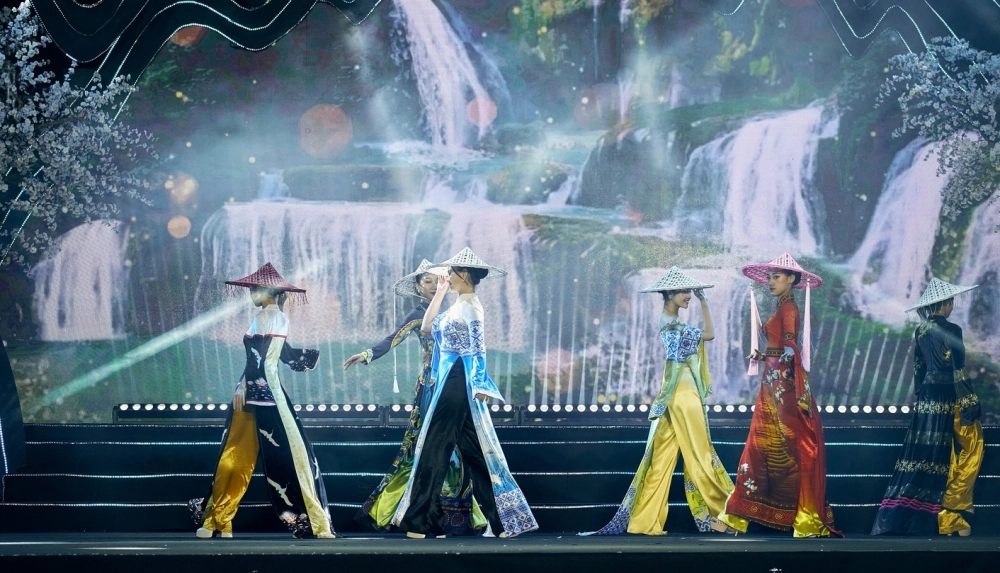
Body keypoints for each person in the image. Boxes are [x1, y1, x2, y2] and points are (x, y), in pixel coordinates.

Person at [392, 247, 538, 538]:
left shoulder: (472, 306)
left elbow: (478, 349)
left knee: (435, 447)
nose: (446, 276)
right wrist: (439, 293)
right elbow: (427, 327)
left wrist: (481, 384)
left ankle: (422, 521)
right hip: (449, 380)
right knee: (474, 451)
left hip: (459, 381)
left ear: (465, 275)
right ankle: (502, 522)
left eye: (451, 273)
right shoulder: (457, 305)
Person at [583, 267, 739, 536]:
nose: (688, 296)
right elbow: (699, 343)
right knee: (700, 454)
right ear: (669, 294)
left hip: (676, 393)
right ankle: (728, 516)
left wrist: (703, 301)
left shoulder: (672, 321)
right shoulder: (671, 324)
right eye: (684, 292)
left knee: (662, 458)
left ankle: (643, 521)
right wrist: (664, 396)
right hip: (683, 393)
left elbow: (705, 338)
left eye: (689, 292)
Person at [189, 263, 334, 539]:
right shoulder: (273, 317)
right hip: (262, 392)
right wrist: (301, 359)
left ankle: (314, 522)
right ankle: (219, 520)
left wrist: (244, 385)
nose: (252, 293)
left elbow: (259, 356)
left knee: (274, 458)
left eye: (256, 289)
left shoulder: (269, 317)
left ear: (269, 291)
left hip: (261, 393)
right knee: (242, 458)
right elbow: (273, 354)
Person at [348, 260, 485, 534]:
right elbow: (393, 338)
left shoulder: (453, 310)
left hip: (457, 382)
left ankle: (455, 514)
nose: (434, 285)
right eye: (427, 281)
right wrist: (367, 354)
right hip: (434, 383)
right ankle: (413, 510)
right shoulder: (419, 314)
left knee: (458, 448)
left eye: (437, 279)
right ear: (418, 287)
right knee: (427, 445)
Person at [715, 253, 840, 537]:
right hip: (773, 384)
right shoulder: (781, 306)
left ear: (791, 279)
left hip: (783, 387)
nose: (771, 282)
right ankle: (742, 515)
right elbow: (779, 349)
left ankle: (788, 516)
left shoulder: (789, 308)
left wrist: (775, 356)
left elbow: (789, 348)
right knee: (766, 445)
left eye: (777, 277)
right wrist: (763, 356)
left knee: (781, 445)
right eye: (769, 277)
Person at [871, 278, 983, 536]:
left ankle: (941, 514)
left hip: (927, 397)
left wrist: (921, 398)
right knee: (972, 444)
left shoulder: (920, 330)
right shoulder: (953, 329)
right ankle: (953, 505)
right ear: (946, 303)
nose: (952, 306)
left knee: (930, 453)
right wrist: (969, 400)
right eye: (951, 302)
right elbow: (958, 368)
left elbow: (919, 368)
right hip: (948, 394)